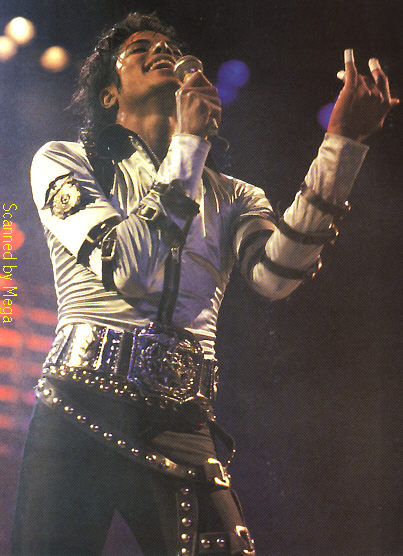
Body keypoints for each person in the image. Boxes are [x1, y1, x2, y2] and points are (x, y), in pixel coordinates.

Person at [11, 11, 398, 556]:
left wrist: (342, 144)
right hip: (79, 404)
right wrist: (188, 144)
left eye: (169, 48)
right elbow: (126, 266)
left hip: (183, 420)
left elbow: (275, 276)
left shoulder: (235, 195)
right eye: (140, 48)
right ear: (108, 94)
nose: (162, 51)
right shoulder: (64, 161)